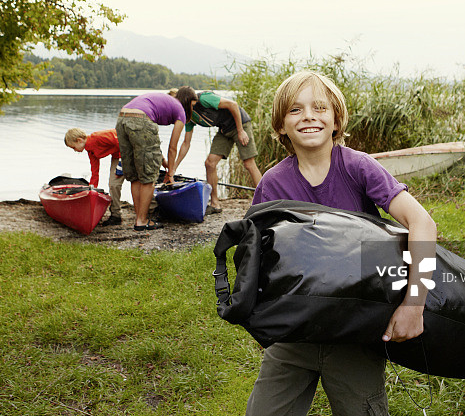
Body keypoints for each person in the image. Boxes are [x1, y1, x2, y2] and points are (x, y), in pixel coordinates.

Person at [246, 70, 437, 416]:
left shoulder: (359, 168)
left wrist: (414, 304)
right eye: (295, 110)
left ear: (336, 119)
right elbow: (257, 259)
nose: (309, 116)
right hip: (295, 336)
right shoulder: (272, 185)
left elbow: (422, 222)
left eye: (320, 107)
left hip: (355, 333)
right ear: (280, 127)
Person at [115, 89, 197, 231]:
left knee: (135, 175)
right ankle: (142, 220)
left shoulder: (165, 101)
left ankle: (139, 217)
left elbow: (149, 144)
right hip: (140, 120)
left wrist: (163, 161)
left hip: (122, 117)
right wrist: (170, 173)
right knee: (149, 176)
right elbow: (173, 147)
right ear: (187, 101)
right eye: (193, 105)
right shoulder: (180, 111)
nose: (193, 109)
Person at [171, 87, 262, 214]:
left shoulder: (204, 98)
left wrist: (241, 131)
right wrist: (173, 168)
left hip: (239, 124)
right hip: (224, 130)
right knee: (210, 163)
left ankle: (265, 201)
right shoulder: (188, 117)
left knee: (249, 163)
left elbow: (233, 105)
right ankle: (215, 204)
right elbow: (186, 143)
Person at [64, 128, 124, 226]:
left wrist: (122, 160)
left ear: (79, 140)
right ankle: (116, 215)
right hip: (117, 156)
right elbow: (95, 172)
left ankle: (150, 209)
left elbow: (120, 140)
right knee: (114, 185)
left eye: (73, 147)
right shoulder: (90, 151)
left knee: (138, 181)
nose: (75, 150)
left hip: (129, 151)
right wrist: (91, 190)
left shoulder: (98, 137)